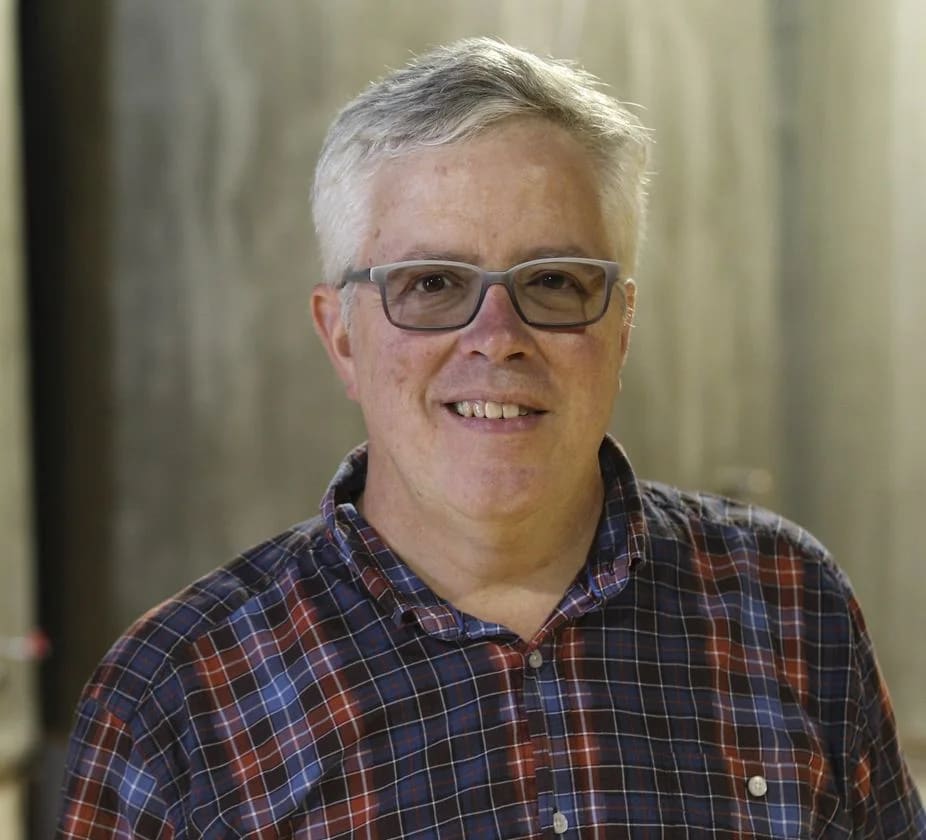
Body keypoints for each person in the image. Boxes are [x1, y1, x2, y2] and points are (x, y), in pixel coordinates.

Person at [58, 37, 924, 838]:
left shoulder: (788, 604)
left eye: (554, 282)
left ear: (622, 325)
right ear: (342, 337)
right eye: (433, 283)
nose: (497, 336)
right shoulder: (175, 702)